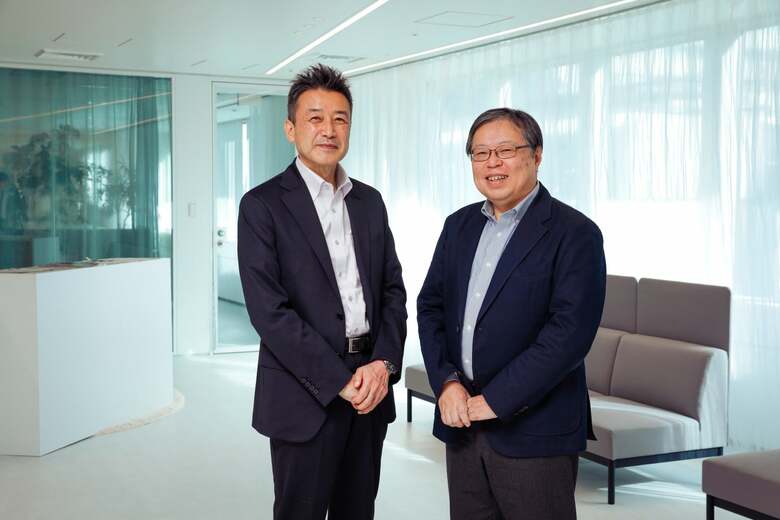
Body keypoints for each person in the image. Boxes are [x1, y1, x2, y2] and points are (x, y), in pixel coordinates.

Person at [417, 108, 606, 520]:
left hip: (534, 433)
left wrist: (496, 400)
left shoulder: (575, 234)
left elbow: (569, 334)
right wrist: (447, 382)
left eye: (505, 150)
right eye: (480, 153)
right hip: (463, 424)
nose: (492, 163)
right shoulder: (458, 226)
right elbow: (430, 307)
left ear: (536, 155)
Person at [237, 64, 406, 520]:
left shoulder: (369, 202)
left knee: (358, 511)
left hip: (371, 385)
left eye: (340, 119)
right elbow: (269, 312)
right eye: (315, 118)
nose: (329, 130)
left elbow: (392, 291)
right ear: (291, 128)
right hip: (304, 391)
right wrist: (339, 382)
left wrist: (384, 365)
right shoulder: (262, 206)